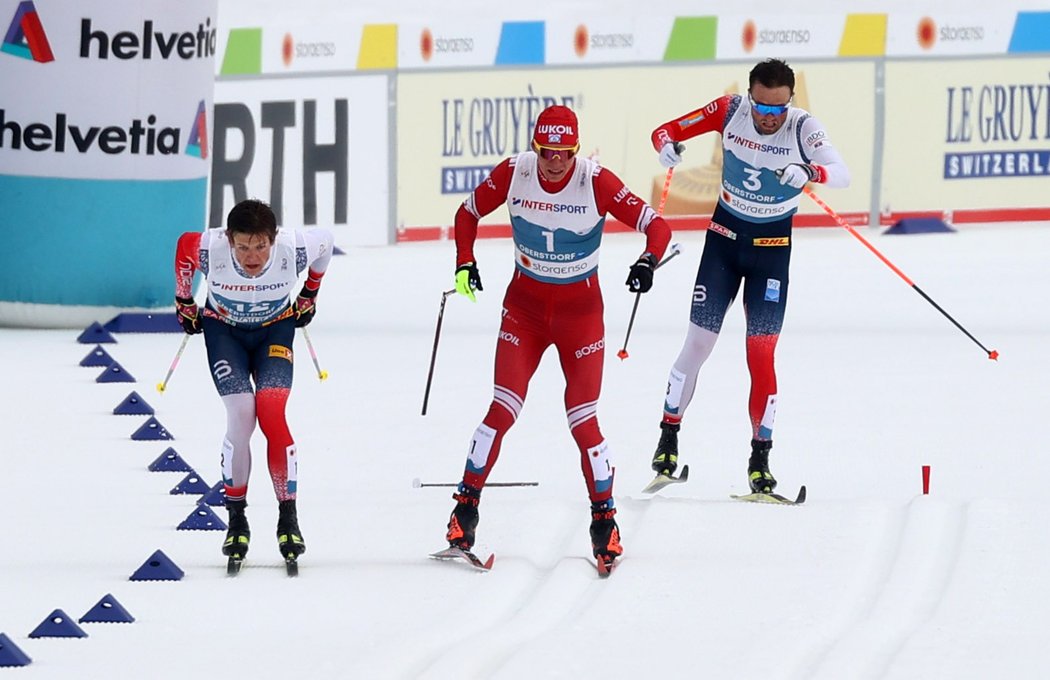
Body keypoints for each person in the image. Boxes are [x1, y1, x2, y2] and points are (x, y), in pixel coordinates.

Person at [443, 104, 672, 568]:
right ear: (535, 147)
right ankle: (464, 509)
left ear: (576, 150)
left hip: (580, 316)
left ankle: (604, 522)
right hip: (523, 312)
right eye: (546, 151)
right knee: (501, 410)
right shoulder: (514, 172)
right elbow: (466, 215)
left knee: (583, 421)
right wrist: (464, 261)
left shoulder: (595, 180)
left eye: (563, 153)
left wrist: (648, 260)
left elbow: (657, 225)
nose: (554, 162)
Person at [648, 58, 850, 493]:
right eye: (761, 106)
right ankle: (668, 438)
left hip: (771, 251)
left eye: (777, 109)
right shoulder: (728, 110)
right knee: (698, 343)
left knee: (760, 354)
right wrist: (665, 146)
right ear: (750, 95)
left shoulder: (803, 128)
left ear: (790, 102)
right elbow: (665, 130)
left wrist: (811, 171)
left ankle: (760, 461)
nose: (767, 117)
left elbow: (843, 173)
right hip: (723, 240)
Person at [172, 198, 334, 563]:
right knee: (242, 415)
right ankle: (237, 519)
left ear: (273, 239)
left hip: (274, 333)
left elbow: (325, 241)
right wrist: (183, 300)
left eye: (261, 246)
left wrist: (310, 292)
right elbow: (183, 247)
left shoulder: (294, 248)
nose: (252, 256)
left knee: (272, 413)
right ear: (229, 239)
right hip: (224, 333)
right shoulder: (209, 249)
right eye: (243, 246)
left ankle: (287, 516)